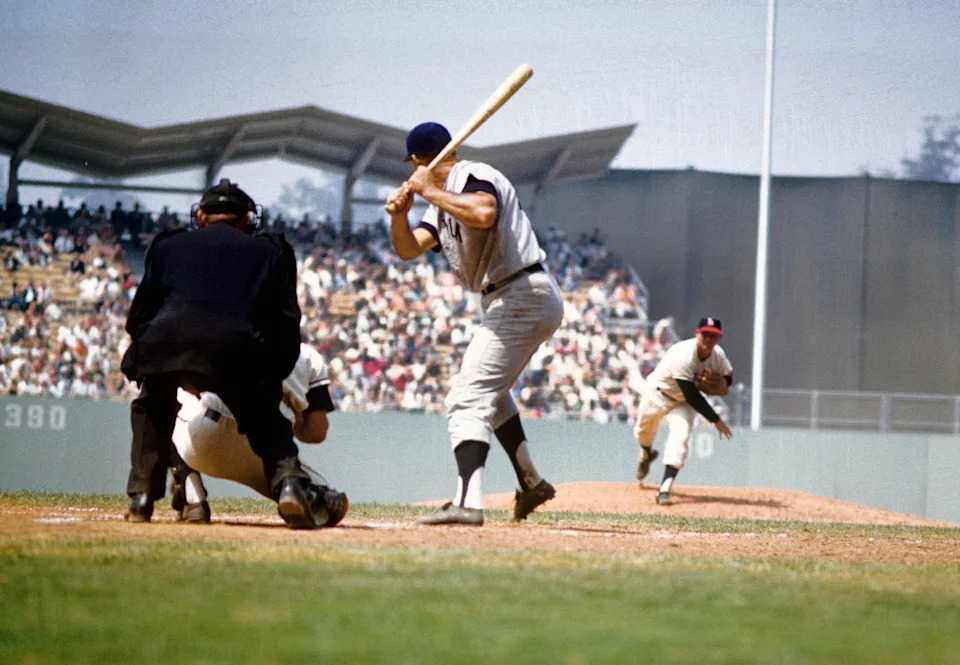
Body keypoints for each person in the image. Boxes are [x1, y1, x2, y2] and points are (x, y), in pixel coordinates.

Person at [384, 121, 563, 526]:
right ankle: (530, 482)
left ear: (416, 160)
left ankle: (468, 502)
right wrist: (400, 216)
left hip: (521, 290)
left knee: (468, 396)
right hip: (509, 296)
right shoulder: (442, 201)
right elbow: (410, 248)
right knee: (491, 393)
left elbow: (483, 213)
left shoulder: (473, 175)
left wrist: (427, 189)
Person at [121, 179, 323, 529]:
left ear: (200, 215)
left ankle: (142, 497)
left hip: (168, 342)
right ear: (246, 218)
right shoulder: (270, 251)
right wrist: (270, 375)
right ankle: (289, 482)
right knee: (264, 417)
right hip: (237, 344)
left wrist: (144, 355)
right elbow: (287, 318)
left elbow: (141, 312)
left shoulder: (167, 246)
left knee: (153, 405)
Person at [169, 343, 348, 527]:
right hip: (268, 448)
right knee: (328, 502)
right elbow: (317, 432)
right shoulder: (308, 355)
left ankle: (192, 496)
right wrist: (297, 421)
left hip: (205, 435)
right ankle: (295, 491)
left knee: (161, 390)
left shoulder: (219, 333)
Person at [633, 316, 734, 506]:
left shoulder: (718, 356)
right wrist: (715, 420)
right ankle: (646, 454)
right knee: (643, 433)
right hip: (658, 394)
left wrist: (724, 384)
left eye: (713, 336)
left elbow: (728, 376)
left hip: (682, 403)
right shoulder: (683, 354)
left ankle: (664, 489)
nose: (709, 340)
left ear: (718, 338)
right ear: (697, 334)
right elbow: (691, 395)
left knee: (681, 437)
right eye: (705, 335)